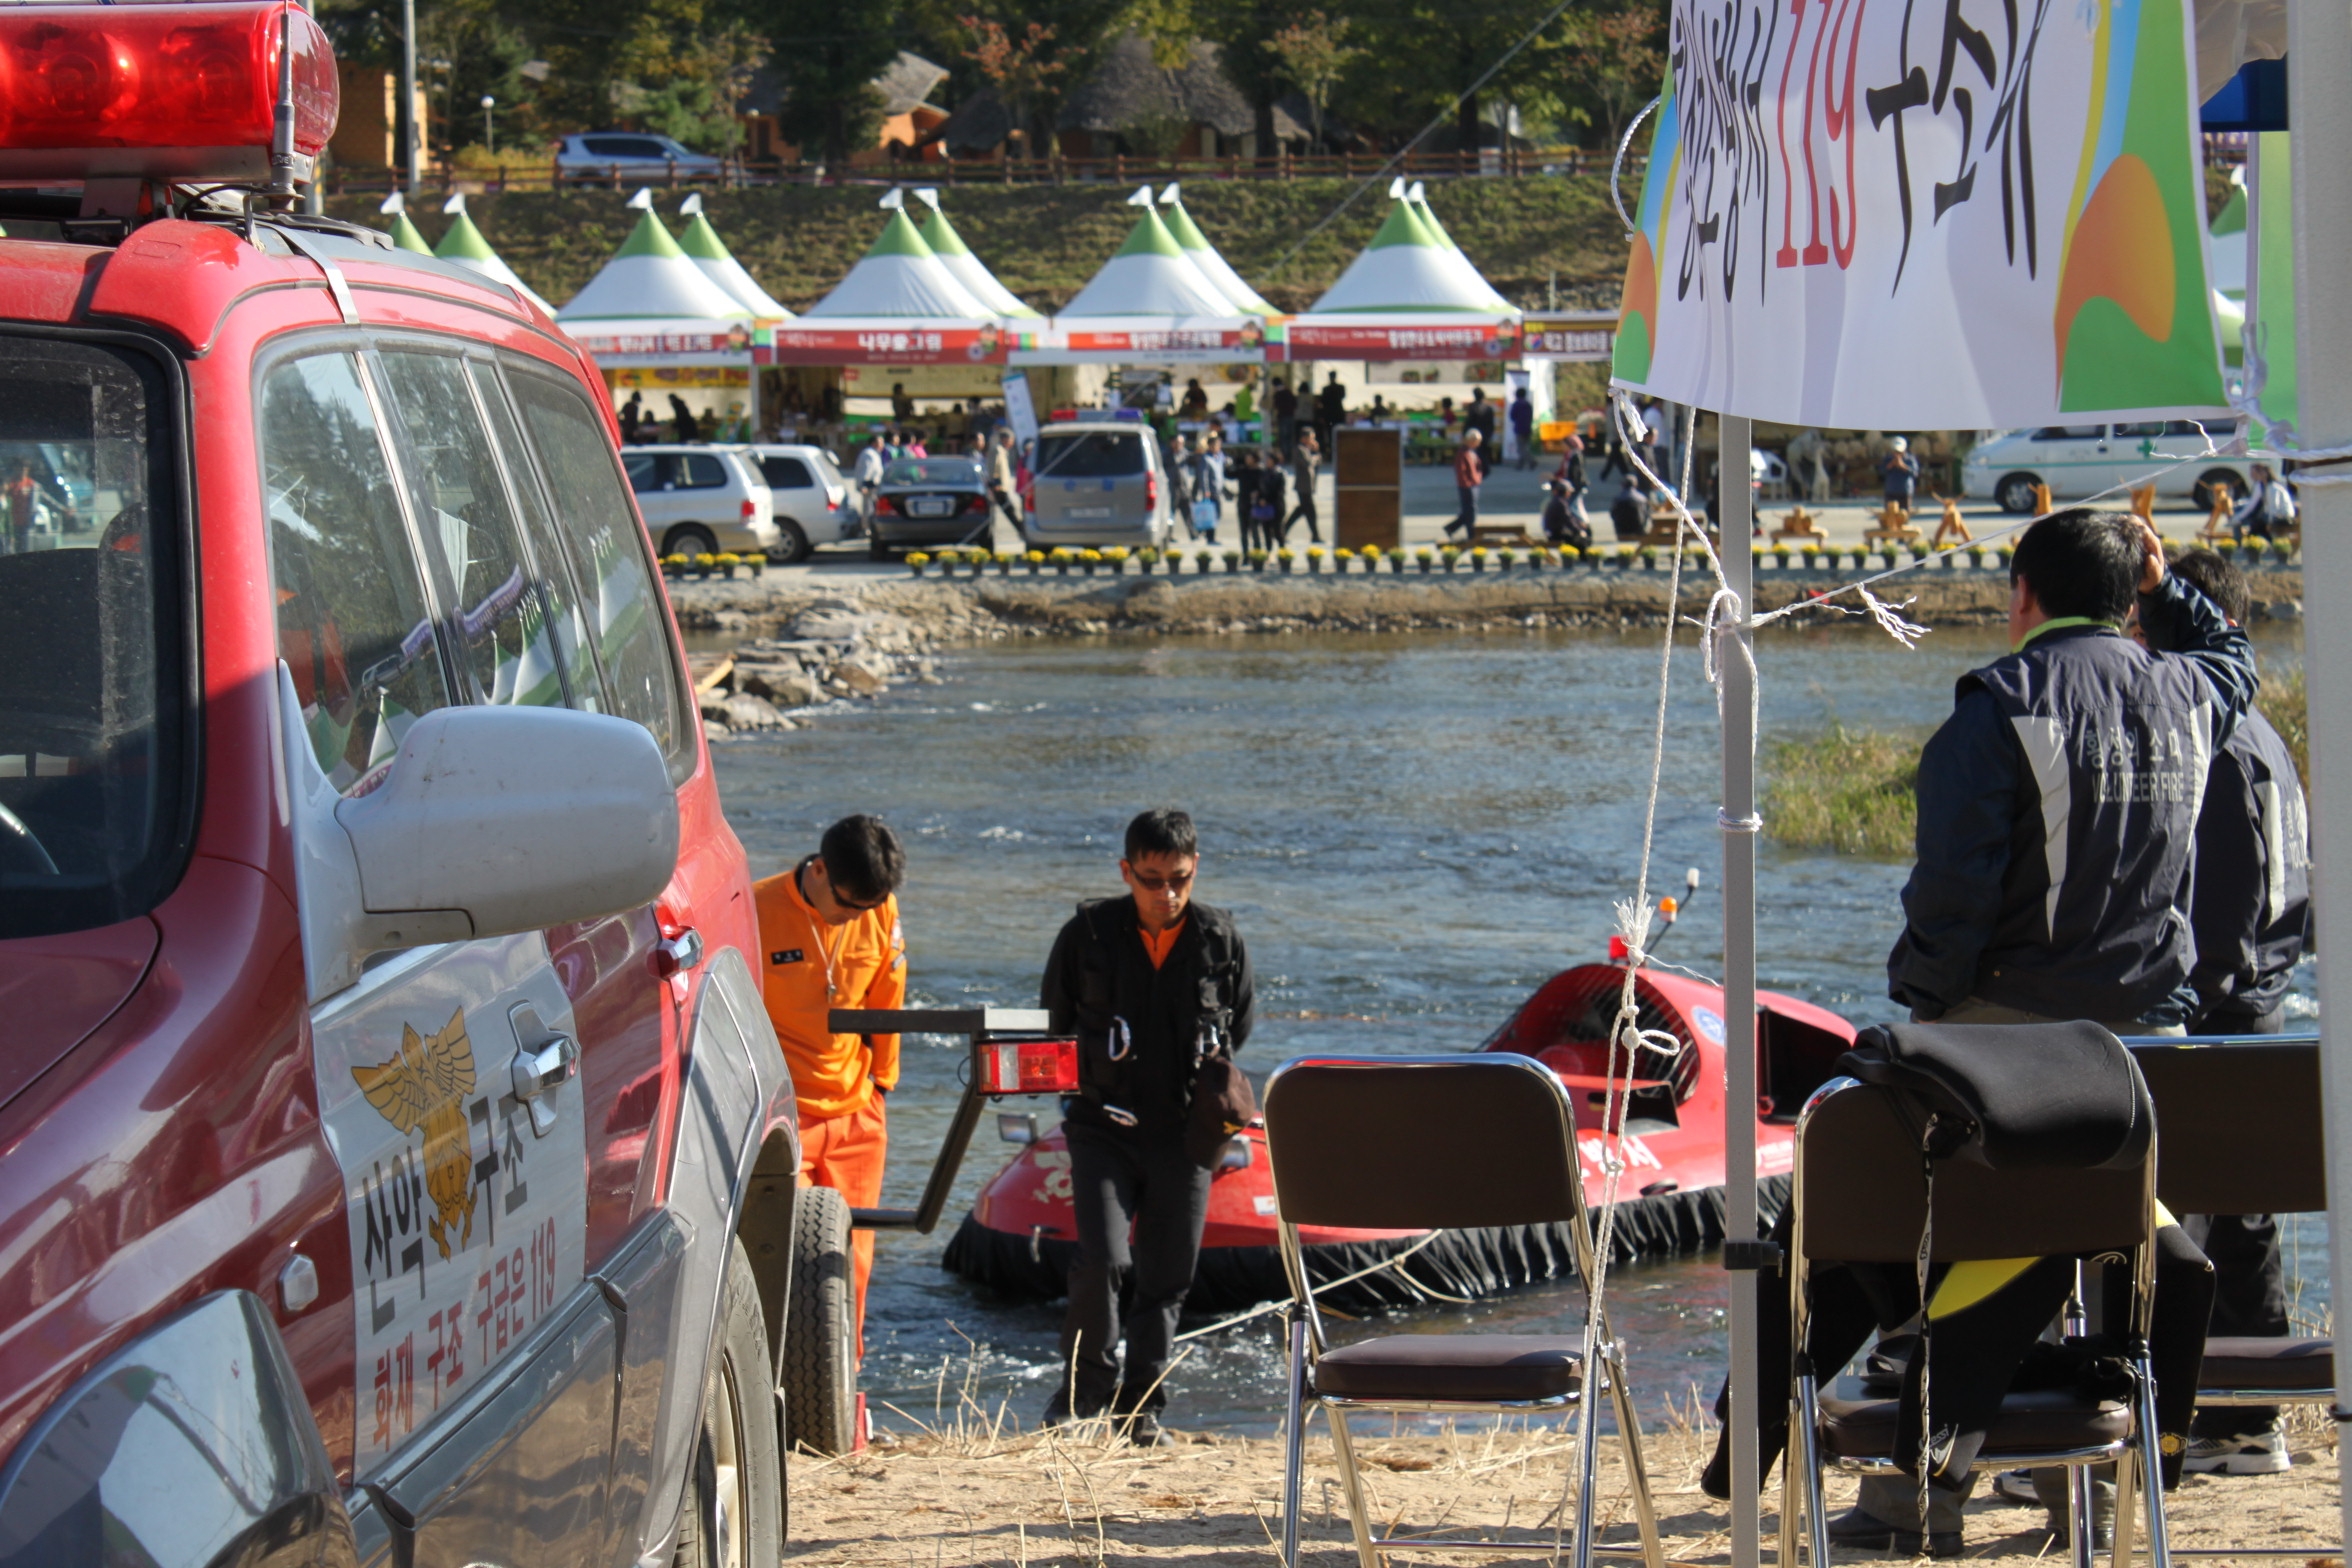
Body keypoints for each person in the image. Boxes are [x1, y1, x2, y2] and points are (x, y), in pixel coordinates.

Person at [1886, 508, 2258, 1032]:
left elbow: (1953, 889)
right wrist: (2164, 589)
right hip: (2152, 1022)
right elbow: (2233, 653)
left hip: (2018, 1024)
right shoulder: (2191, 693)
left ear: (2023, 593)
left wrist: (1928, 999)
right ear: (2129, 603)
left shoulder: (1998, 704)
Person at [1040, 808, 1256, 1444]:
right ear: (1125, 871)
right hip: (1101, 1129)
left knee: (1166, 1278)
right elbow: (1054, 1019)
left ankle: (1141, 1413)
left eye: (1179, 879)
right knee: (1102, 1260)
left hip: (1185, 1136)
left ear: (1196, 869)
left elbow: (1240, 1024)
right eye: (1152, 879)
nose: (1167, 894)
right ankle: (1081, 1399)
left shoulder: (1220, 940)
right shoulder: (1086, 935)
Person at [2164, 548, 2309, 1479]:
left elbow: (2223, 908)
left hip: (2227, 1010)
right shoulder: (2266, 736)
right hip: (2269, 1003)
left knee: (2194, 1218)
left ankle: (2230, 1414)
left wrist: (2189, 1003)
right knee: (2244, 1217)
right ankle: (2248, 1417)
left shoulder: (2219, 746)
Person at [753, 816, 909, 1362]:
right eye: (847, 905)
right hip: (783, 1115)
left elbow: (889, 993)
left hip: (856, 1111)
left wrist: (883, 1083)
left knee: (852, 1263)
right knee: (786, 1261)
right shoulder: (755, 909)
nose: (855, 917)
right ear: (819, 870)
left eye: (868, 908)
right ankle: (779, 1384)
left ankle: (846, 1385)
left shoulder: (879, 909)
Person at [2230, 463, 2296, 541]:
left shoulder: (2273, 487)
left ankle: (2248, 541)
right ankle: (2257, 541)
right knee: (2257, 523)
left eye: (2261, 473)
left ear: (2267, 474)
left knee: (2256, 523)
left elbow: (2274, 507)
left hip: (2283, 516)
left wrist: (2270, 523)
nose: (2259, 475)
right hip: (2274, 515)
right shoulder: (2265, 486)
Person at [1444, 429, 1486, 540]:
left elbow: (1478, 467)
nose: (1478, 444)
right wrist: (1467, 483)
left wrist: (1478, 477)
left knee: (1469, 510)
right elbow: (1461, 471)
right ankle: (1471, 534)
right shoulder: (1463, 453)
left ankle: (1451, 528)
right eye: (1477, 441)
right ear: (1470, 440)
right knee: (1470, 510)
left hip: (1474, 484)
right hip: (1467, 486)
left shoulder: (1471, 452)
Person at [988, 427, 1024, 546]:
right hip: (998, 487)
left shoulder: (1003, 450)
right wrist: (996, 483)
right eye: (1011, 440)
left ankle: (1021, 529)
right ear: (1005, 439)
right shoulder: (997, 450)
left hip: (1003, 487)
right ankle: (1021, 530)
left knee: (1010, 510)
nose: (1012, 443)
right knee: (1009, 510)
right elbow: (993, 468)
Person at [1285, 428, 1322, 544]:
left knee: (1303, 510)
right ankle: (1315, 535)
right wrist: (1315, 455)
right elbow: (1307, 463)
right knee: (1309, 510)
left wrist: (1315, 452)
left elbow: (1317, 464)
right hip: (1302, 485)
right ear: (1304, 439)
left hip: (1308, 486)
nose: (1313, 441)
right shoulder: (1299, 449)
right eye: (1311, 438)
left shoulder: (1308, 450)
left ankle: (1283, 530)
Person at [853, 432, 887, 530]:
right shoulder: (868, 454)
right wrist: (864, 485)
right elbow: (866, 470)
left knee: (872, 508)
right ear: (873, 443)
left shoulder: (875, 454)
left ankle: (871, 527)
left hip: (874, 486)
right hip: (869, 485)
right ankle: (866, 528)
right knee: (868, 508)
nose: (882, 445)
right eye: (880, 443)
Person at [1880, 435, 1921, 509]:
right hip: (1891, 491)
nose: (1897, 454)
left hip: (1905, 491)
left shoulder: (1910, 459)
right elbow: (1882, 472)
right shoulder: (1887, 459)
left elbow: (1915, 473)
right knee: (1890, 513)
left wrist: (1903, 466)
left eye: (1899, 452)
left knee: (1904, 513)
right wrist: (1891, 465)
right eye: (1895, 452)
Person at [1508, 386, 1535, 470]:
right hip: (1528, 427)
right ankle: (1521, 464)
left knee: (1521, 448)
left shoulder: (1516, 404)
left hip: (1519, 428)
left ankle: (1531, 460)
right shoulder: (1528, 404)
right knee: (1525, 446)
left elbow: (1512, 416)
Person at [1316, 372, 1346, 446]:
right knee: (1338, 433)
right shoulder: (1340, 387)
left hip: (1330, 414)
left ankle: (1332, 447)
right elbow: (1342, 396)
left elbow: (1323, 401)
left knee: (1331, 433)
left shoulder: (1326, 389)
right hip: (1337, 413)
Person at [1272, 378, 1299, 456]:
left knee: (1283, 436)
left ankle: (1285, 453)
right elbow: (1295, 404)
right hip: (1290, 416)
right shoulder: (1289, 392)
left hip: (1282, 416)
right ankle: (1290, 453)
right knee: (1290, 436)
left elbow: (1275, 406)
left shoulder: (1277, 394)